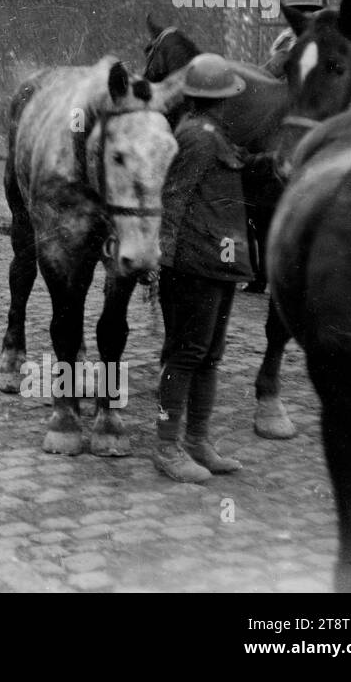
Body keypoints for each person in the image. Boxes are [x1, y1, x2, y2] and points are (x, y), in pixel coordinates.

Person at [154, 53, 265, 483]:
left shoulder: (210, 131)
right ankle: (167, 446)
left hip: (215, 262)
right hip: (193, 264)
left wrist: (271, 162)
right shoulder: (198, 137)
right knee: (187, 355)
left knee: (210, 356)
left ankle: (198, 441)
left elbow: (236, 161)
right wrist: (163, 258)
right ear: (220, 100)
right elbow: (175, 196)